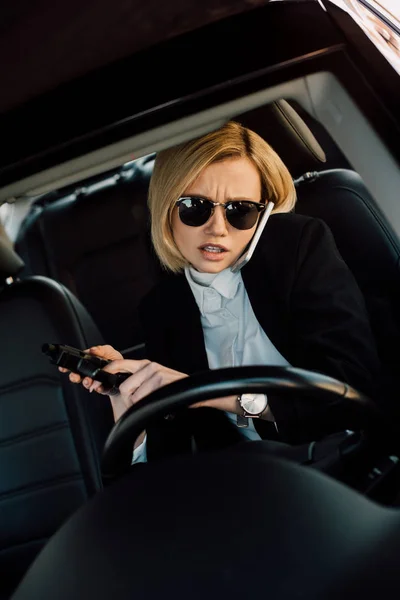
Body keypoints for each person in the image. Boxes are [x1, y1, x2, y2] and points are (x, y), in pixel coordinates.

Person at [61, 121, 381, 463]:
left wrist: (210, 395)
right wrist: (127, 401)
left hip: (346, 462)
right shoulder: (162, 308)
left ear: (265, 212)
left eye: (240, 211)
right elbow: (174, 461)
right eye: (194, 208)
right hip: (243, 486)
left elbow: (352, 392)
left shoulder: (300, 247)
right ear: (166, 210)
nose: (217, 229)